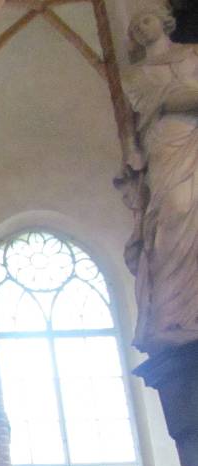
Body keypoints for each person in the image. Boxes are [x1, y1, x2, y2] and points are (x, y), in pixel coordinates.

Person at [121, 4, 198, 354]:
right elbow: (146, 109)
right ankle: (171, 314)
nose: (141, 28)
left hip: (192, 137)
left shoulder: (192, 53)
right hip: (165, 144)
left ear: (164, 22)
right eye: (135, 26)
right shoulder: (135, 76)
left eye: (146, 20)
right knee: (173, 213)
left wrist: (175, 99)